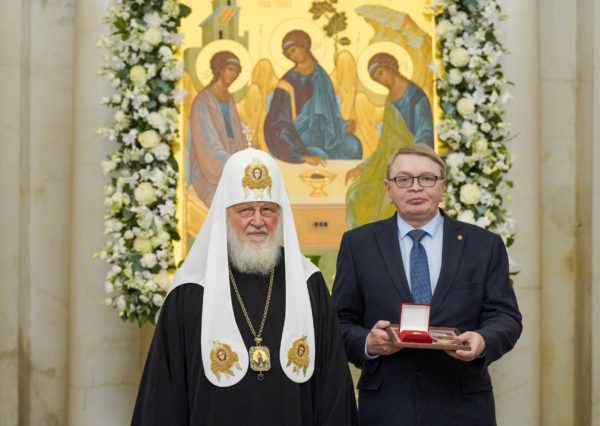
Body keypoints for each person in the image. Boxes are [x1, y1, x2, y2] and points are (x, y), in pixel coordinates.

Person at [132, 148, 358, 425]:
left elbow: (333, 387)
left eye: (268, 210)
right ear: (225, 215)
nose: (258, 221)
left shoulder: (308, 283)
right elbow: (164, 394)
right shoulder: (190, 290)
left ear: (280, 215)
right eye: (246, 210)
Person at [332, 144, 522, 426]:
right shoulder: (358, 245)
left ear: (443, 187)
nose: (415, 187)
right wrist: (368, 343)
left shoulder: (484, 245)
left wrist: (482, 341)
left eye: (427, 178)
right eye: (404, 179)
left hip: (463, 405)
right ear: (388, 189)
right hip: (387, 408)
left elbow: (506, 317)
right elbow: (338, 322)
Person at [345, 53, 434, 229]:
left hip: (411, 165)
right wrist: (364, 166)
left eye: (381, 73)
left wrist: (407, 162)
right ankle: (362, 241)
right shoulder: (389, 101)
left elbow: (424, 133)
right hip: (387, 163)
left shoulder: (416, 96)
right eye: (376, 78)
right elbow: (385, 142)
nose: (381, 79)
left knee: (390, 200)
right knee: (356, 193)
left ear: (390, 67)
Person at [264, 30, 362, 166]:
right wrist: (301, 155)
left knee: (353, 145)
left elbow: (331, 113)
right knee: (320, 156)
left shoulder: (322, 76)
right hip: (300, 140)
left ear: (304, 45)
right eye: (289, 54)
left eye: (294, 50)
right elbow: (278, 124)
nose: (293, 56)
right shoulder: (287, 83)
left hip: (326, 136)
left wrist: (343, 127)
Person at [188, 51, 246, 207]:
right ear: (219, 69)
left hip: (232, 158)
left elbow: (237, 132)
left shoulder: (228, 98)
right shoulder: (203, 101)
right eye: (230, 69)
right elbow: (206, 144)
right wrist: (233, 163)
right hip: (209, 168)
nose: (233, 75)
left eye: (237, 72)